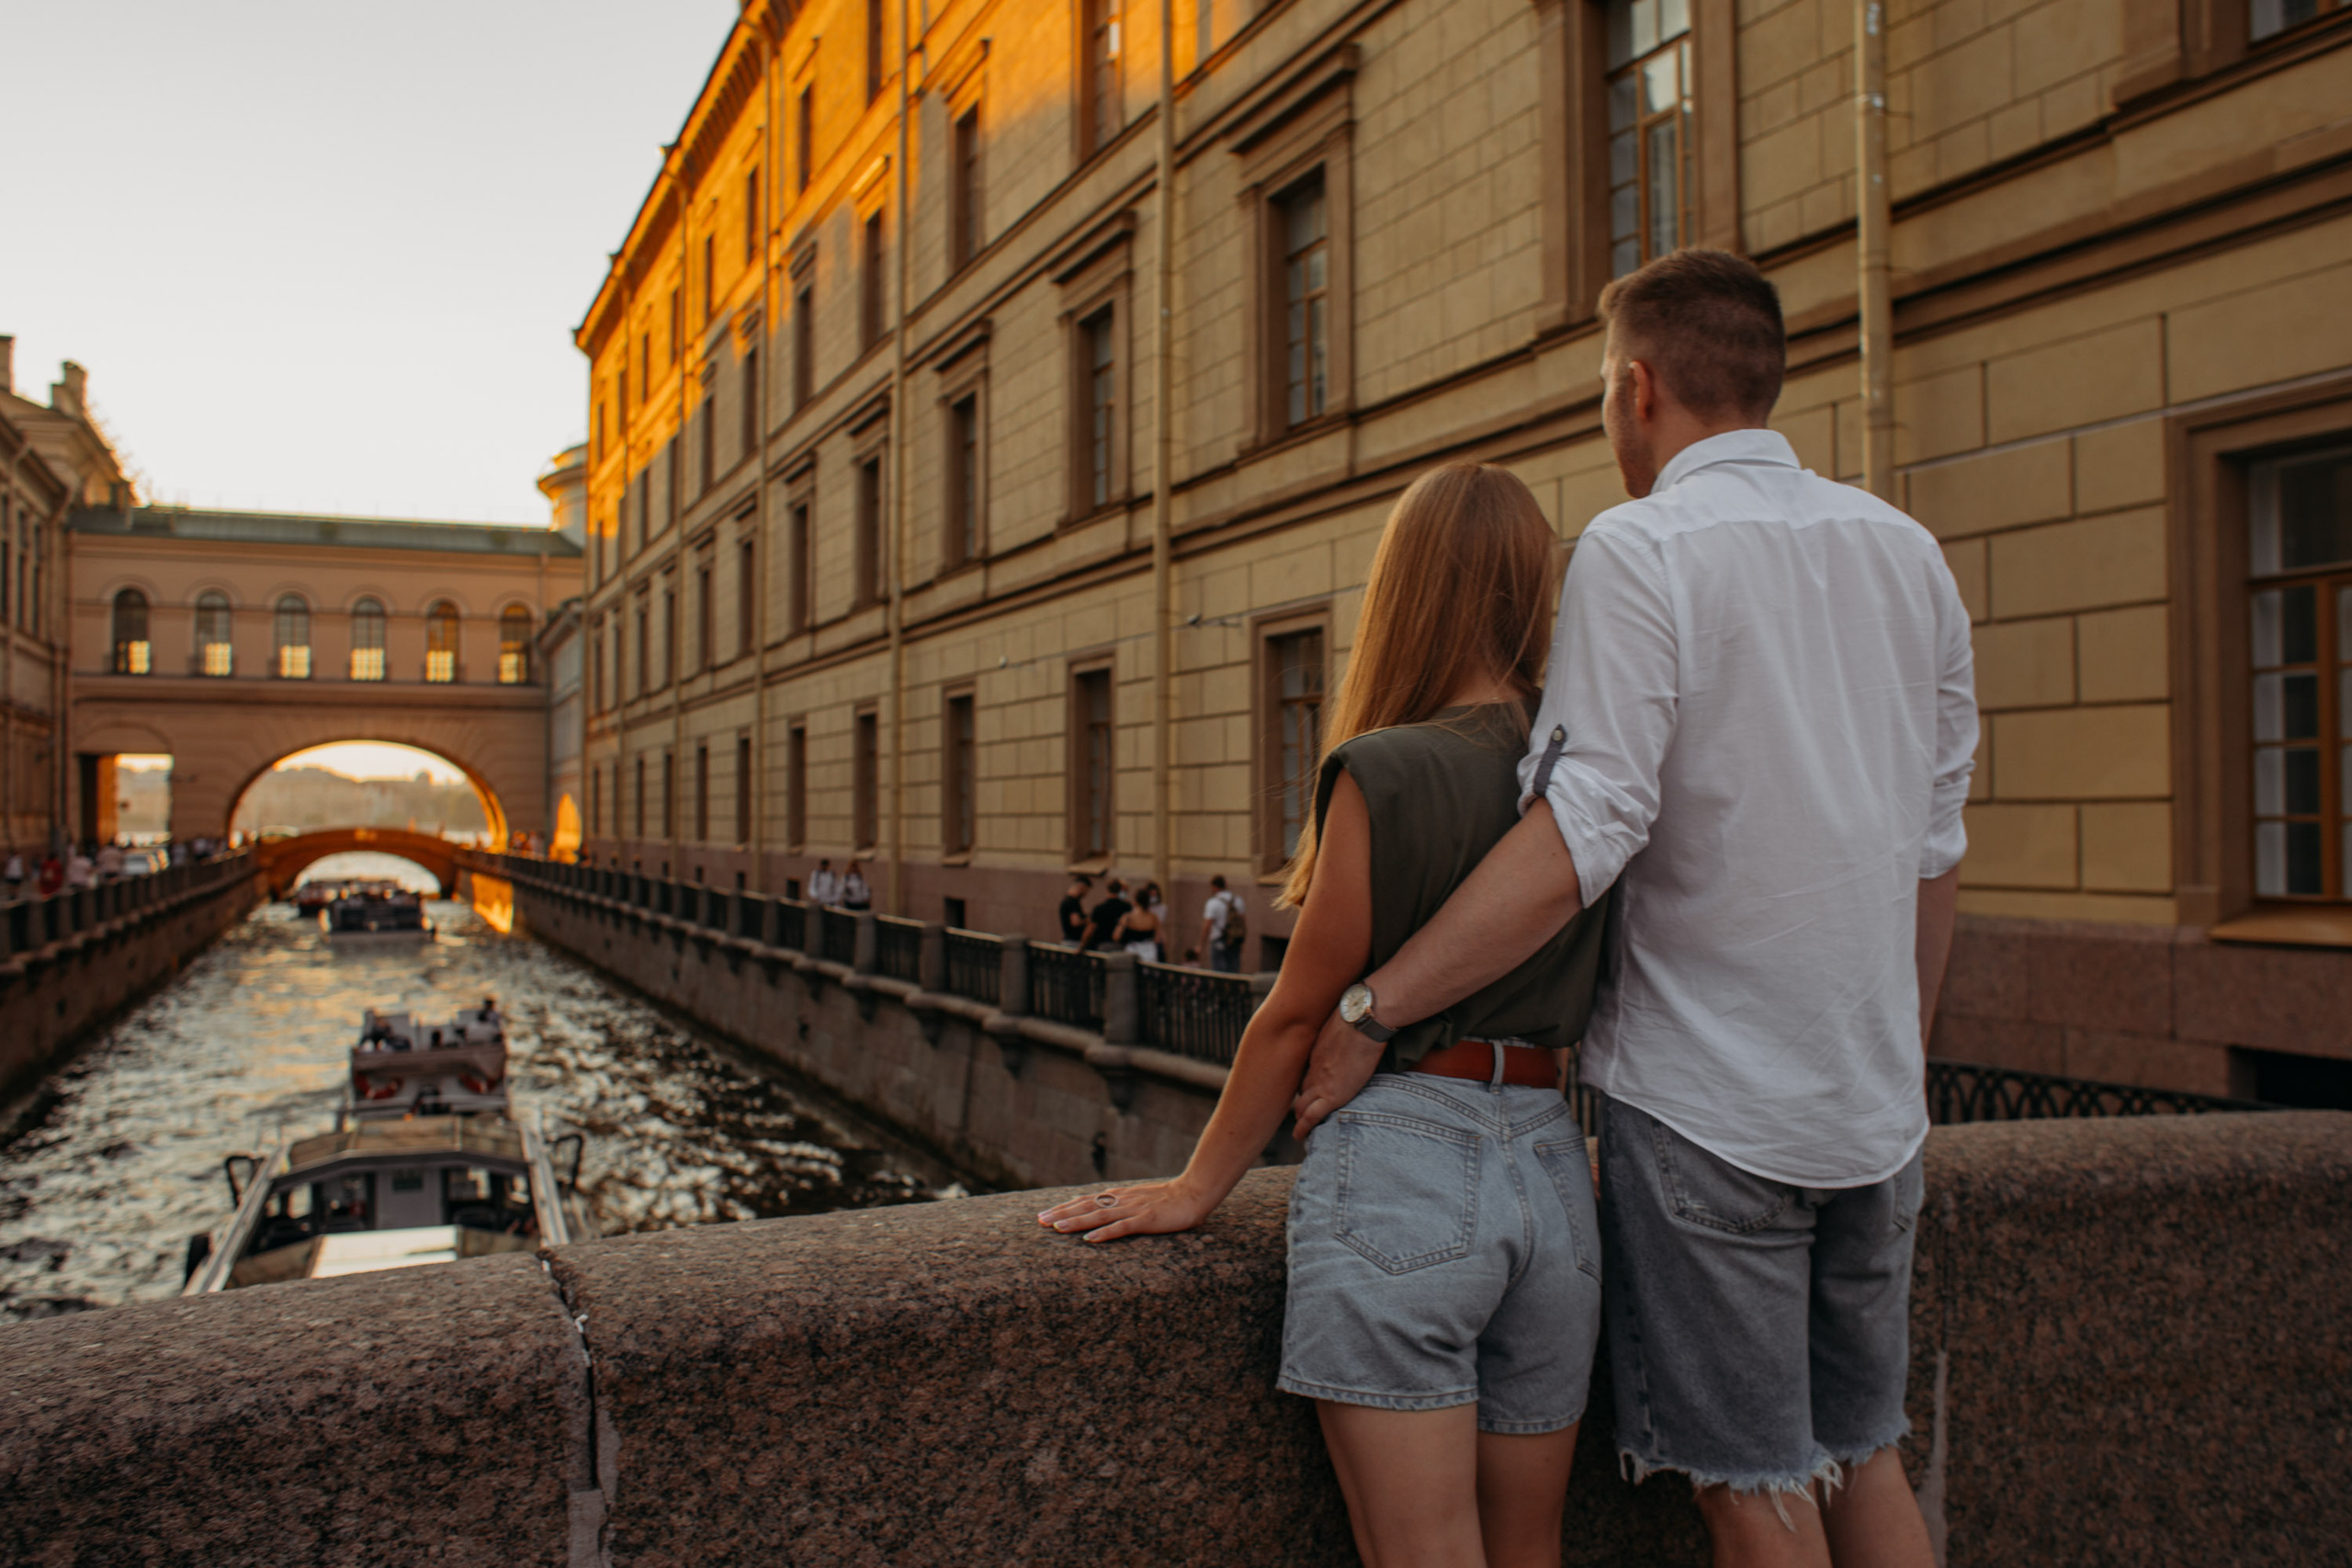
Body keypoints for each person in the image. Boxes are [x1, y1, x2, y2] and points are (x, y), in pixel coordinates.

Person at [1291, 251, 1972, 1568]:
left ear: (1637, 387)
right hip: (1875, 1113)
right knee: (1864, 1456)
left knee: (1752, 1488)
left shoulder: (1641, 544)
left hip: (1710, 1109)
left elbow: (1583, 832)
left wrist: (1377, 1007)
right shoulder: (1907, 551)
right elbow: (1936, 847)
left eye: (1608, 391)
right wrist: (1899, 1054)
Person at [1041, 463, 1611, 1568]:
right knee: (1530, 1549)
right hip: (1553, 1167)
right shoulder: (1588, 771)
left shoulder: (1385, 769)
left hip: (1408, 1169)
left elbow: (1298, 1014)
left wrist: (1194, 1188)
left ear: (1405, 591)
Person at [1191, 874, 1245, 973]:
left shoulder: (1213, 903)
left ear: (1214, 887)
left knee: (1219, 972)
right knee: (1234, 971)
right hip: (1234, 939)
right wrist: (1242, 941)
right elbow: (1243, 922)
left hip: (1218, 939)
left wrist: (1201, 944)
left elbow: (1207, 925)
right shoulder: (1238, 900)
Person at [1112, 882, 1164, 963]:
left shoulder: (1128, 917)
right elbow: (1157, 939)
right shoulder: (1153, 917)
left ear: (1135, 900)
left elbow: (1116, 936)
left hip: (1132, 950)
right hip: (1149, 952)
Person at [1080, 877, 1130, 953]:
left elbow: (1090, 929)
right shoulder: (1127, 907)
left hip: (1101, 945)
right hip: (1122, 946)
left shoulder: (1100, 908)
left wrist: (1082, 946)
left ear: (1108, 890)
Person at [1057, 874, 1095, 945]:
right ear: (1082, 887)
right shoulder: (1073, 902)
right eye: (1086, 891)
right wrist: (1089, 920)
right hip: (1074, 942)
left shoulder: (1066, 900)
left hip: (1069, 940)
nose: (1086, 894)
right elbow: (1076, 922)